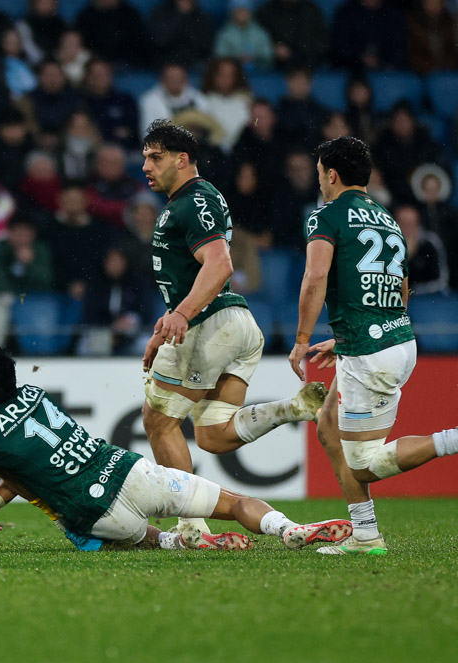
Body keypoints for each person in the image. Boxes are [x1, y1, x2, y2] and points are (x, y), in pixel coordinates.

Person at [0, 344, 351, 552]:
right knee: (233, 502)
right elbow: (27, 457)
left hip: (95, 515)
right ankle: (287, 529)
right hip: (127, 471)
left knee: (127, 536)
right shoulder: (36, 395)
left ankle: (175, 542)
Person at [139, 120, 327, 540]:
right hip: (235, 325)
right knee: (212, 436)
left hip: (208, 326)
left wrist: (182, 314)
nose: (146, 166)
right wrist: (166, 324)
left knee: (158, 421)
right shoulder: (196, 198)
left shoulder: (192, 200)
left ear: (182, 159)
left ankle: (190, 527)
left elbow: (220, 264)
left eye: (155, 157)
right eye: (145, 157)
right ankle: (291, 409)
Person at [290, 137, 458, 556]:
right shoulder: (387, 218)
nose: (320, 181)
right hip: (395, 336)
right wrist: (346, 336)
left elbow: (315, 277)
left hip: (370, 352)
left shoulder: (326, 215)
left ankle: (452, 440)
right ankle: (365, 535)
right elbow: (401, 286)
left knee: (364, 464)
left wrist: (302, 339)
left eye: (320, 174)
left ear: (331, 174)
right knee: (329, 427)